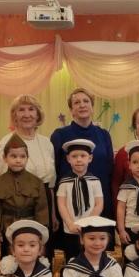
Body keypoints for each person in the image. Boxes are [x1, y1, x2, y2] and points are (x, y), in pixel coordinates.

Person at [0, 95, 57, 237]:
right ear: (14, 116)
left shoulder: (47, 143)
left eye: (31, 109)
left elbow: (51, 184)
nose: (27, 114)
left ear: (38, 114)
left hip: (44, 207)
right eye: (21, 110)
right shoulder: (5, 144)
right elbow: (0, 185)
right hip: (17, 209)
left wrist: (53, 214)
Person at [50, 88, 114, 217]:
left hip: (100, 201)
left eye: (86, 101)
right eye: (77, 102)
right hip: (69, 204)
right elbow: (54, 171)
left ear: (92, 107)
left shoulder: (103, 134)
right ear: (71, 110)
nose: (82, 105)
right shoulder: (59, 135)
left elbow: (110, 168)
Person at [0, 135, 49, 257]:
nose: (18, 160)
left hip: (30, 227)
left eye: (22, 156)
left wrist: (40, 232)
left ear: (27, 158)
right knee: (8, 259)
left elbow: (42, 209)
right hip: (6, 229)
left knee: (29, 256)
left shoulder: (36, 182)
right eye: (13, 156)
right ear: (5, 158)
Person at [56, 139, 103, 262]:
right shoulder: (64, 182)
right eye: (74, 156)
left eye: (83, 156)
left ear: (90, 158)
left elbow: (99, 204)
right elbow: (61, 205)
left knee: (90, 258)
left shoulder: (95, 181)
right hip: (70, 229)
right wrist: (70, 223)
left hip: (90, 229)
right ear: (68, 159)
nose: (78, 159)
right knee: (72, 258)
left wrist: (88, 223)